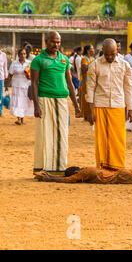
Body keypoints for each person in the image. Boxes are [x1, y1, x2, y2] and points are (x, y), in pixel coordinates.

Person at [30, 31, 81, 175]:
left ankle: (59, 168)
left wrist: (76, 106)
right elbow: (34, 83)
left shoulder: (64, 59)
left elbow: (70, 84)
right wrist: (36, 105)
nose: (56, 45)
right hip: (44, 100)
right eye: (53, 41)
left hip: (62, 101)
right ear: (46, 41)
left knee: (62, 134)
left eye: (58, 42)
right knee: (44, 134)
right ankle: (42, 168)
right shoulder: (38, 60)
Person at [86, 39, 132, 171]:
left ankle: (117, 166)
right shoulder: (94, 65)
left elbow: (128, 87)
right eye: (107, 54)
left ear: (117, 51)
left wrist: (131, 108)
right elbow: (89, 88)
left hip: (118, 105)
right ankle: (102, 166)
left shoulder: (125, 65)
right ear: (102, 50)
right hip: (100, 105)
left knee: (118, 138)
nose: (109, 57)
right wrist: (90, 111)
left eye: (112, 54)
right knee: (101, 139)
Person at [34, 167, 132, 184]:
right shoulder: (90, 169)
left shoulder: (85, 173)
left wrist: (49, 178)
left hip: (121, 178)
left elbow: (67, 180)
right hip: (122, 173)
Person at [6, 48, 34, 125]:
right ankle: (18, 119)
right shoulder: (14, 63)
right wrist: (6, 86)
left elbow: (33, 74)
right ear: (18, 55)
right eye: (21, 54)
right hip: (17, 86)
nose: (23, 55)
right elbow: (10, 75)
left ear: (26, 55)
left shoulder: (29, 63)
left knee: (24, 102)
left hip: (26, 86)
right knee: (18, 102)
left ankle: (22, 119)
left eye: (24, 54)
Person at [79, 44, 96, 120]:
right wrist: (94, 67)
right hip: (85, 82)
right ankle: (86, 115)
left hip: (92, 81)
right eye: (92, 49)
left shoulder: (93, 58)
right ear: (88, 51)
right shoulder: (84, 59)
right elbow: (84, 67)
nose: (93, 50)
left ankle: (90, 114)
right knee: (86, 98)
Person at [0, 48, 8, 117]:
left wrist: (6, 78)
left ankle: (0, 110)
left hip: (1, 78)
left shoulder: (3, 55)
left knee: (0, 95)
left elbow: (5, 67)